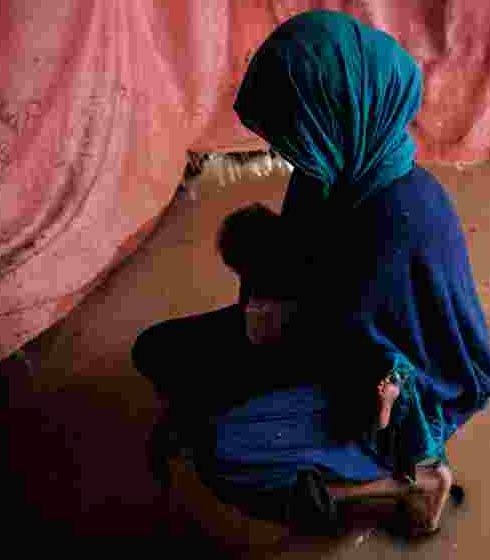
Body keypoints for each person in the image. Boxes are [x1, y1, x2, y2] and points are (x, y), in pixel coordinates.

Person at [233, 10, 490, 512]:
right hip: (330, 336)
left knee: (227, 450)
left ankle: (411, 482)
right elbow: (302, 265)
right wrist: (263, 279)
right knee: (159, 351)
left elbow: (381, 357)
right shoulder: (327, 173)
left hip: (391, 379)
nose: (279, 148)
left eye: (291, 129)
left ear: (338, 116)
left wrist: (278, 327)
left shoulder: (406, 218)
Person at [133, 203, 461, 537]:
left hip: (348, 395)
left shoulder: (327, 314)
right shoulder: (285, 282)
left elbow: (362, 401)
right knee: (151, 348)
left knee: (224, 458)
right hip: (316, 363)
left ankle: (393, 486)